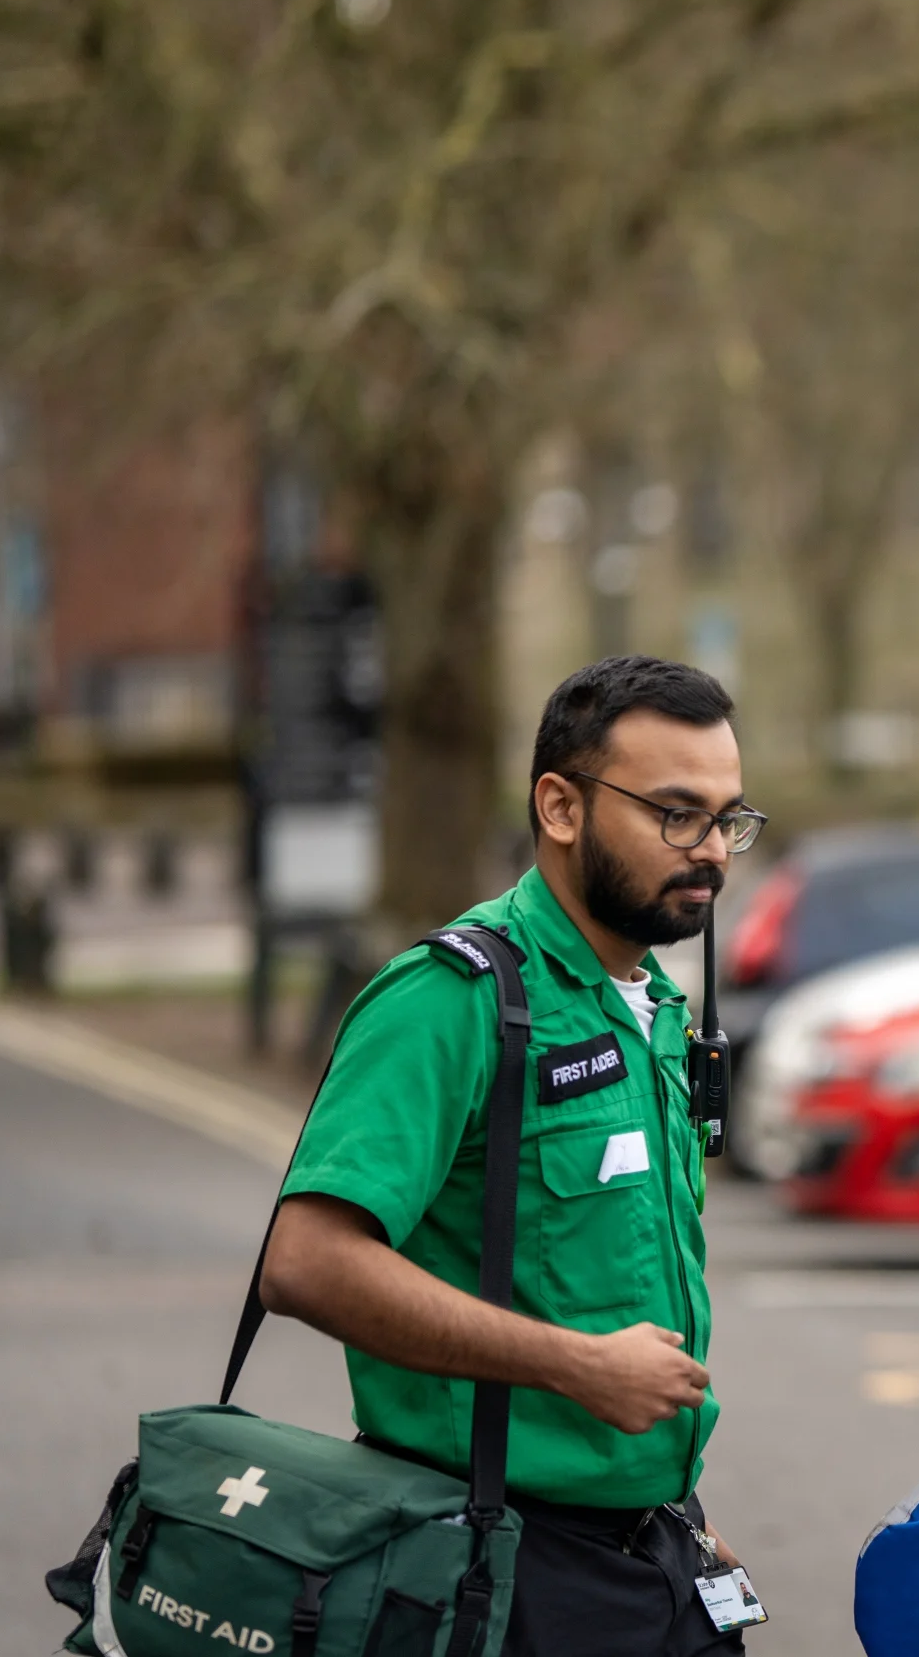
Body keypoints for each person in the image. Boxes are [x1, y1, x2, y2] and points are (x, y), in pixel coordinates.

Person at [258, 656, 768, 1657]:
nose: (711, 850)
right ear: (560, 806)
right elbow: (304, 1261)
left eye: (728, 817)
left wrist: (678, 1519)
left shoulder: (655, 1003)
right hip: (496, 1567)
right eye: (675, 813)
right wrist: (575, 1366)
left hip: (651, 1553)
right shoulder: (453, 997)